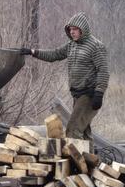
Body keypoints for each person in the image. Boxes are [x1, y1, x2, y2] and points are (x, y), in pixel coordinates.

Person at [20, 12, 109, 149]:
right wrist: (33, 52)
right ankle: (90, 165)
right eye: (70, 29)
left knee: (73, 130)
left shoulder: (96, 46)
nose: (72, 32)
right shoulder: (71, 45)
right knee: (84, 132)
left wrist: (99, 93)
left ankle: (78, 167)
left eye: (75, 29)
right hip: (77, 94)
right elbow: (54, 54)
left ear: (82, 29)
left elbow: (103, 71)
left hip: (89, 95)